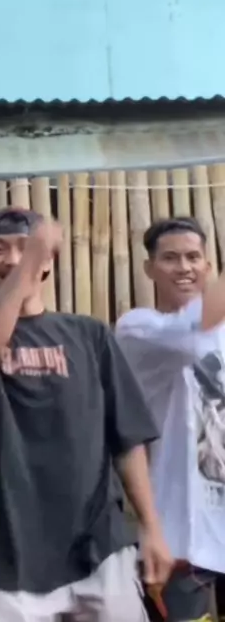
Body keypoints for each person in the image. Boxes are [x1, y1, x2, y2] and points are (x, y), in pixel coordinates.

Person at [0, 206, 172, 622]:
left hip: (100, 544)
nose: (13, 258)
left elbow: (127, 438)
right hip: (15, 552)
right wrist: (30, 259)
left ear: (50, 262)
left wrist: (151, 527)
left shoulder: (90, 334)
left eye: (25, 247)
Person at [116, 215, 225, 622]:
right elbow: (191, 334)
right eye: (171, 258)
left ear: (208, 266)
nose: (184, 267)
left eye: (193, 257)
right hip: (178, 534)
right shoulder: (138, 329)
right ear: (149, 268)